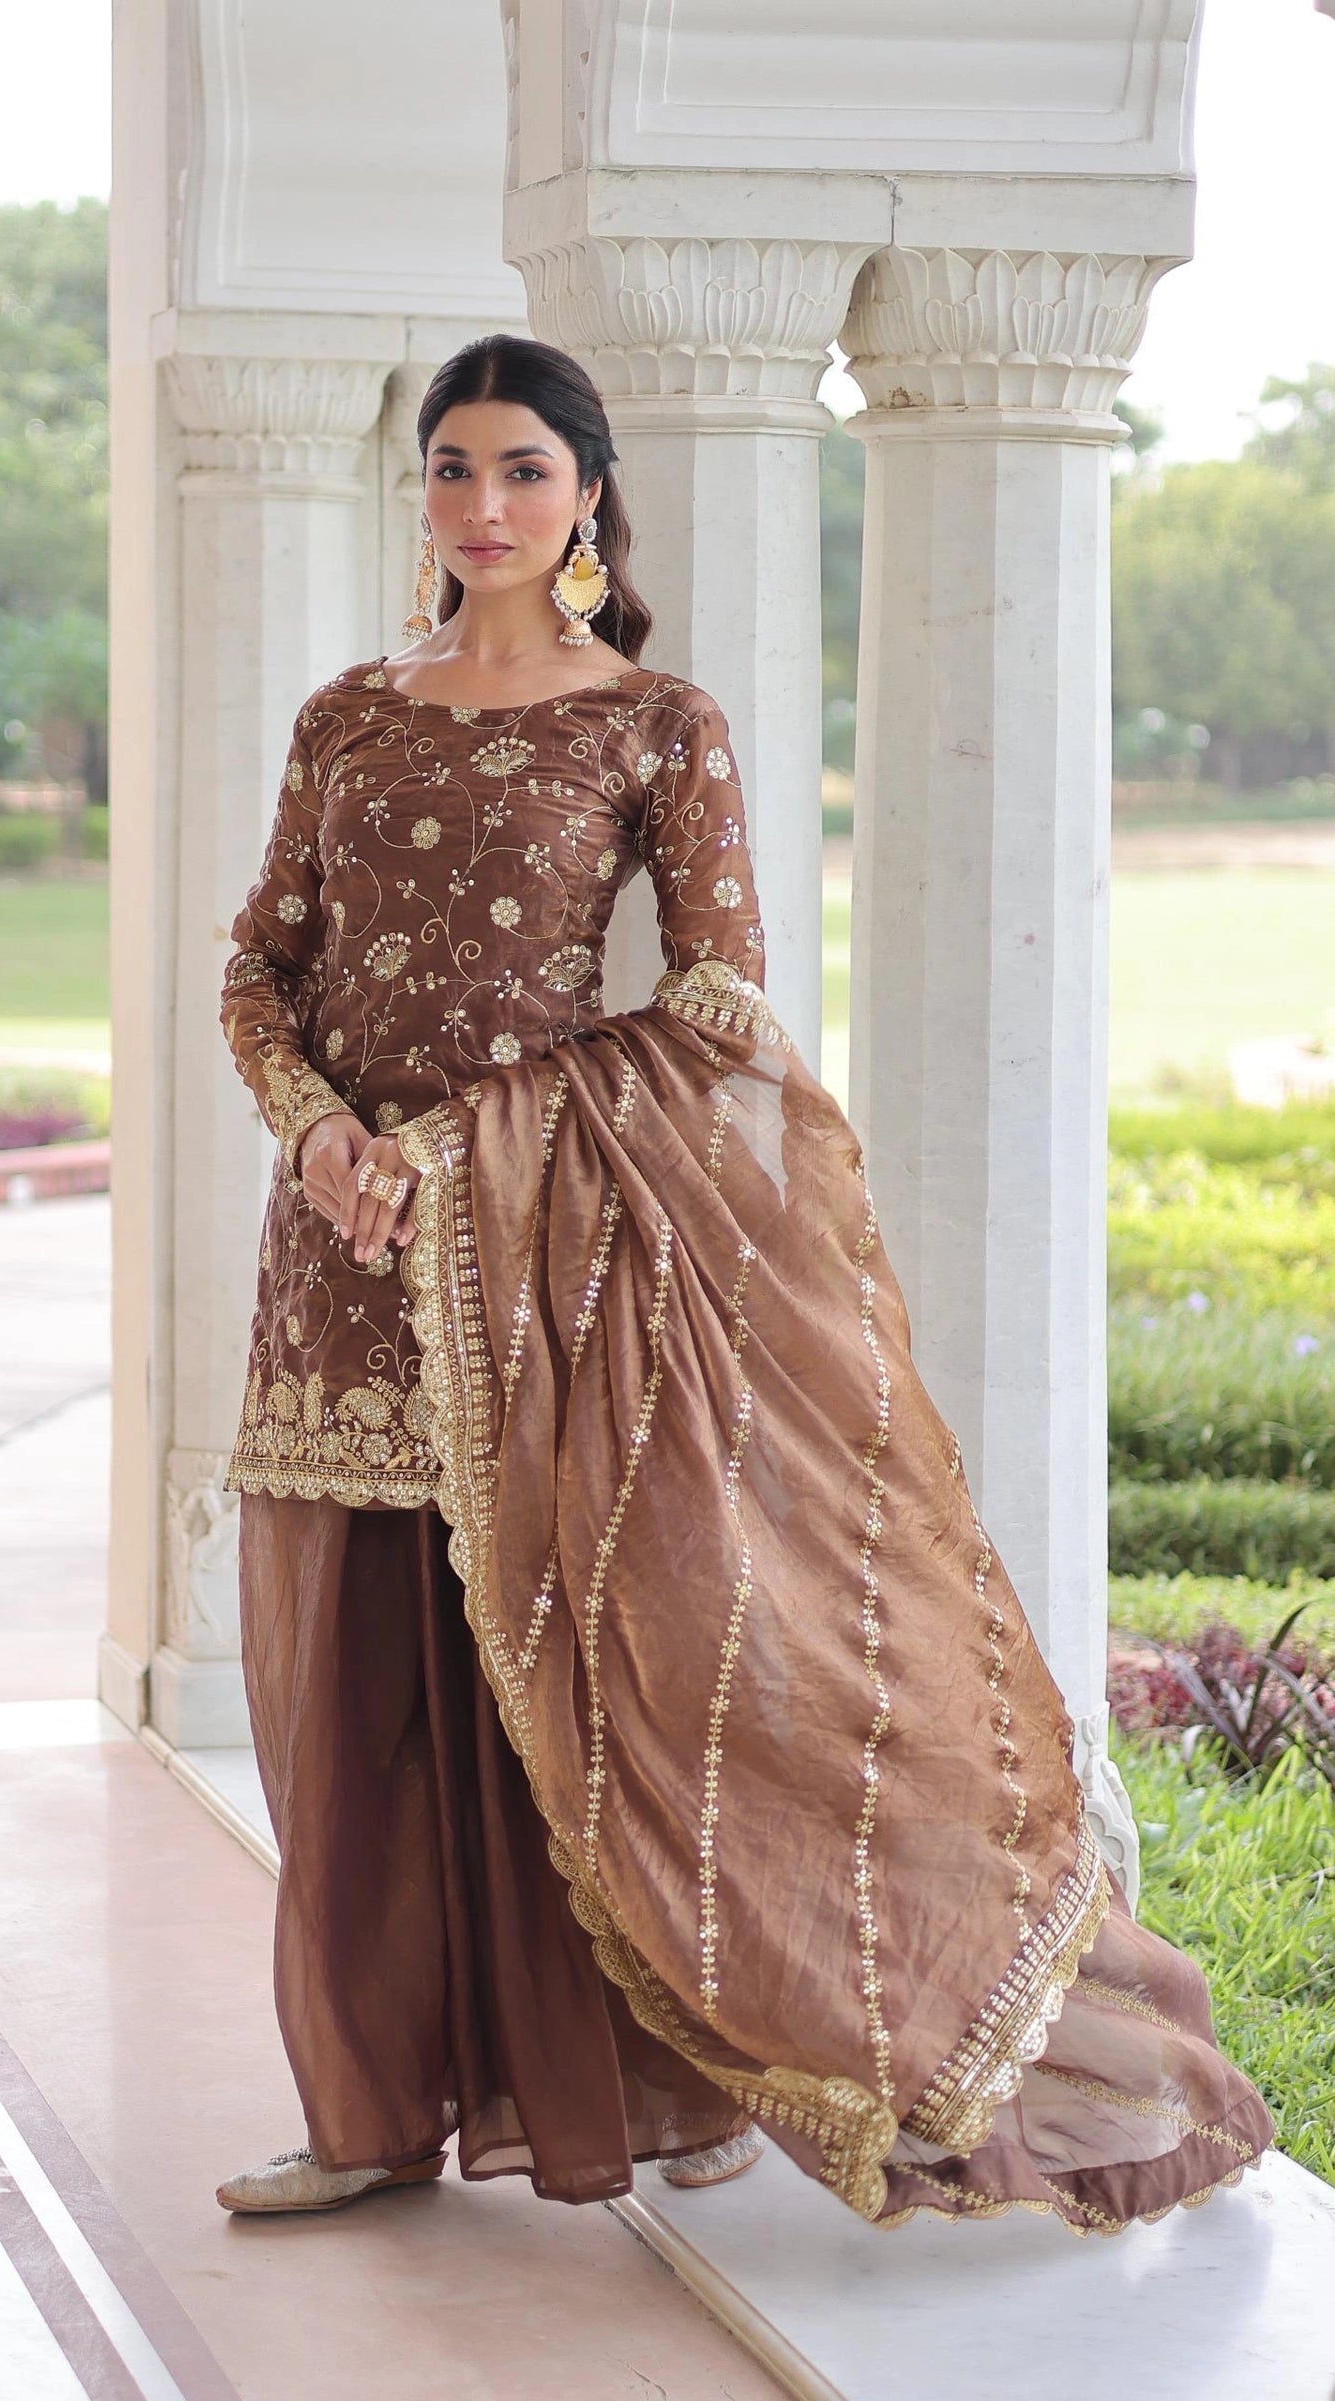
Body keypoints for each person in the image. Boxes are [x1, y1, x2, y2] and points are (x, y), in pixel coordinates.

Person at [212, 333, 1274, 2231]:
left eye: (521, 470)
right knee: (350, 1691)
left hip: (539, 1266)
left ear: (591, 497)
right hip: (341, 1268)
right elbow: (260, 970)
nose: (481, 507)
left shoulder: (655, 723)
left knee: (588, 1676)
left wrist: (469, 1145)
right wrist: (316, 1133)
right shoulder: (344, 718)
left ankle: (642, 2082)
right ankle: (364, 2113)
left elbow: (716, 1005)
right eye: (449, 471)